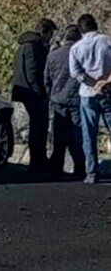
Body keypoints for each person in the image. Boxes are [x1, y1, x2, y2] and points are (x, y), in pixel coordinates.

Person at [69, 14, 111, 184]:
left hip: (87, 93)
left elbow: (75, 73)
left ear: (81, 30)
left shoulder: (76, 48)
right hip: (109, 91)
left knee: (89, 134)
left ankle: (91, 172)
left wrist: (92, 83)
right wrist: (105, 81)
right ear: (96, 25)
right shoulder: (107, 41)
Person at [12, 18, 58, 170]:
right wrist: (41, 95)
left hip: (25, 91)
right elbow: (33, 73)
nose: (50, 38)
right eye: (50, 34)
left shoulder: (24, 46)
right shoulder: (33, 47)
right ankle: (38, 159)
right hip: (32, 93)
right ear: (44, 32)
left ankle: (37, 158)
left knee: (36, 124)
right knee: (39, 125)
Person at [45, 25, 85, 176]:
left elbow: (46, 79)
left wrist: (51, 94)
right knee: (77, 135)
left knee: (59, 135)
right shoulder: (81, 54)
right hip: (76, 100)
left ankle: (57, 166)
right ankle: (80, 167)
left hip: (58, 100)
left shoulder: (54, 55)